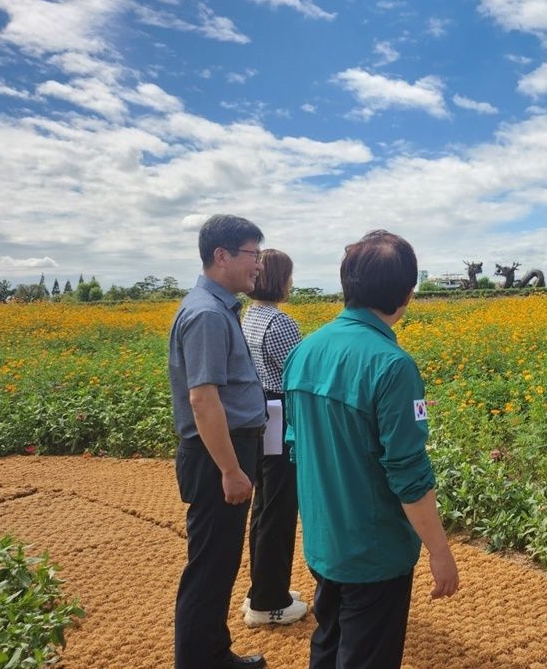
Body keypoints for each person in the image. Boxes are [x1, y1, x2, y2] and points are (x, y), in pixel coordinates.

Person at [283, 230, 459, 669]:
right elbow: (409, 473)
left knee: (329, 641)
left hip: (325, 541)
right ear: (407, 293)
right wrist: (439, 550)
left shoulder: (305, 349)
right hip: (375, 552)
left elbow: (295, 445)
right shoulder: (392, 365)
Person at [168, 214, 269, 669]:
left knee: (219, 563)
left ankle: (213, 654)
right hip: (217, 457)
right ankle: (200, 661)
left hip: (223, 452)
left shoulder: (215, 307)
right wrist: (230, 469)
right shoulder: (208, 313)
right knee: (210, 568)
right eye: (253, 255)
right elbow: (203, 400)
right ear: (221, 256)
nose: (259, 266)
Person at [240, 249, 309, 627]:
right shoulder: (280, 322)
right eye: (290, 275)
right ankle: (270, 602)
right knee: (280, 511)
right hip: (281, 414)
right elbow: (295, 376)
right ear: (279, 279)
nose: (291, 283)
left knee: (264, 505)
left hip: (259, 413)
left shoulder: (250, 316)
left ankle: (260, 589)